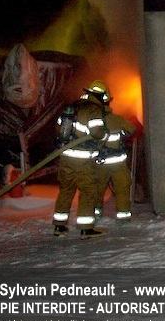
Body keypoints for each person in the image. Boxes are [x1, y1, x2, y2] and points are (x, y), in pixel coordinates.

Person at [51, 80, 111, 239]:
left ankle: (59, 226)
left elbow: (58, 128)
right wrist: (105, 135)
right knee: (87, 191)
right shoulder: (93, 109)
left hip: (66, 157)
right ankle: (86, 228)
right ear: (100, 96)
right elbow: (97, 132)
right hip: (83, 159)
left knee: (66, 189)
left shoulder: (73, 106)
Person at [91, 89, 136, 223]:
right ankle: (123, 215)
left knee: (97, 188)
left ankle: (95, 212)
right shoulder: (117, 119)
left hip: (99, 163)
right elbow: (131, 129)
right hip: (117, 163)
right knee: (122, 188)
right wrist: (122, 133)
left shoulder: (93, 122)